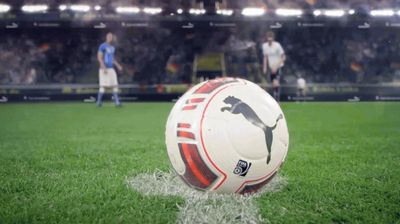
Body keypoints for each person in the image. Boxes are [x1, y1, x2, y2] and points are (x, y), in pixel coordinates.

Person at [96, 32, 123, 107]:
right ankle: (98, 102)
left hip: (111, 69)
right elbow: (99, 57)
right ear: (106, 37)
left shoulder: (112, 48)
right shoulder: (102, 46)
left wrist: (118, 65)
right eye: (109, 36)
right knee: (103, 86)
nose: (110, 38)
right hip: (104, 69)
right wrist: (103, 67)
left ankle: (117, 102)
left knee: (115, 85)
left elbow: (112, 58)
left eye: (111, 37)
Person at [262, 31, 286, 102]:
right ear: (267, 39)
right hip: (271, 67)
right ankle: (276, 99)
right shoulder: (264, 46)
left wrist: (276, 66)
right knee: (274, 84)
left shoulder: (277, 45)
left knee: (276, 83)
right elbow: (265, 57)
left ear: (273, 38)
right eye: (268, 39)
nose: (270, 40)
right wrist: (265, 67)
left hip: (278, 66)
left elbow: (283, 57)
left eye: (271, 39)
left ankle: (277, 100)